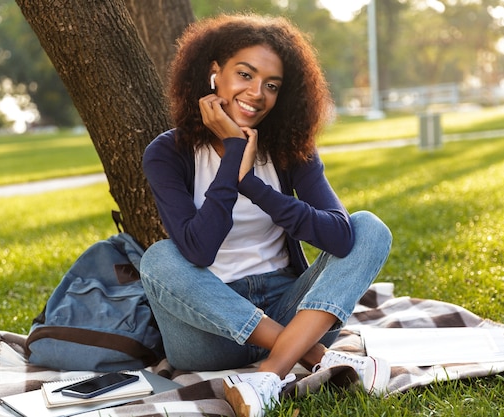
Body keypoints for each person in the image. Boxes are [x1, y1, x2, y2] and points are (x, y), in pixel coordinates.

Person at [140, 13, 392, 417]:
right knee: (159, 258)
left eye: (271, 85)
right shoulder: (167, 153)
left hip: (290, 307)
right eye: (245, 74)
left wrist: (255, 187)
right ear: (213, 74)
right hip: (210, 330)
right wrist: (233, 152)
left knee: (369, 228)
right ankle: (313, 356)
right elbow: (198, 250)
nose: (256, 93)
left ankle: (268, 376)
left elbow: (342, 238)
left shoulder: (292, 149)